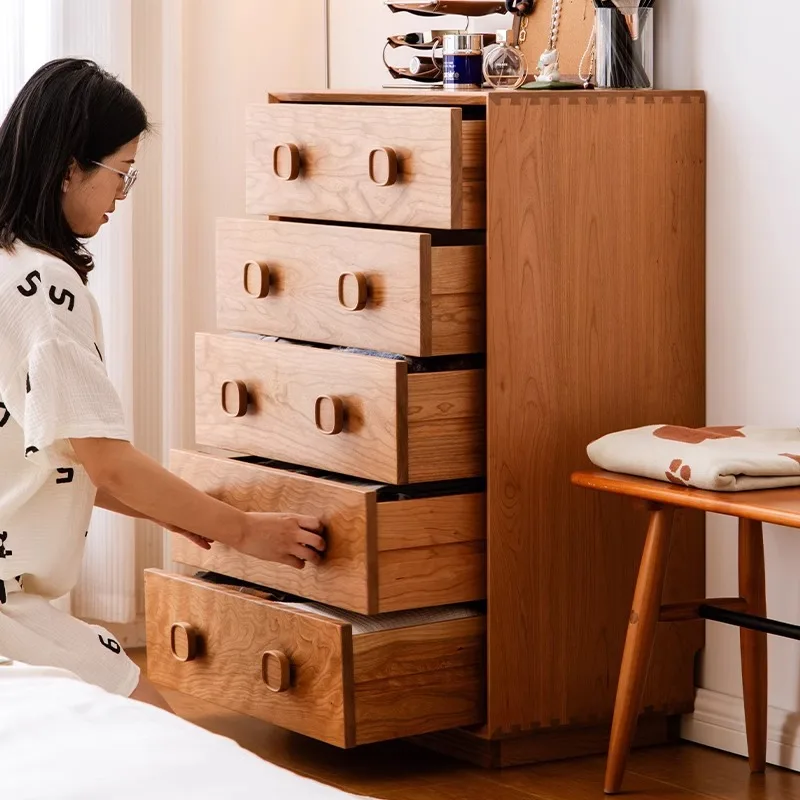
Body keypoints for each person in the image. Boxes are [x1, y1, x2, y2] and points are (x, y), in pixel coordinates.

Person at [0, 58, 325, 712]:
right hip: (10, 605)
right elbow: (108, 465)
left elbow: (53, 461)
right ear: (70, 168)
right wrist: (243, 530)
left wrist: (176, 510)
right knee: (152, 723)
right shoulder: (49, 291)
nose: (123, 194)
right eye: (122, 172)